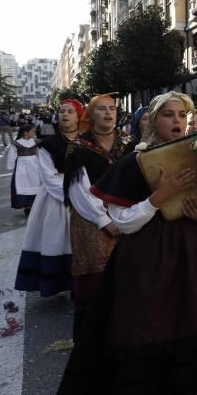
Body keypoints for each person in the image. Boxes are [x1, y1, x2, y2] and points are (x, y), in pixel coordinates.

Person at [50, 91, 197, 395]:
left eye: (181, 115)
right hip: (149, 258)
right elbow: (123, 221)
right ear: (153, 120)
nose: (177, 121)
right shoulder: (135, 161)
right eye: (168, 115)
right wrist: (157, 199)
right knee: (158, 325)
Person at [63, 94, 128, 335]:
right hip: (91, 221)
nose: (109, 113)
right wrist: (105, 220)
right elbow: (78, 190)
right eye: (102, 109)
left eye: (112, 108)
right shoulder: (79, 147)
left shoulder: (128, 143)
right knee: (95, 280)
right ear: (91, 115)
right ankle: (91, 339)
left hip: (126, 218)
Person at [15, 99, 81, 297]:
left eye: (70, 111)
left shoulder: (88, 141)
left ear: (79, 116)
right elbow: (48, 176)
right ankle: (61, 283)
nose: (65, 114)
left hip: (86, 195)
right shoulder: (49, 145)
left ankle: (81, 284)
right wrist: (72, 197)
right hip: (57, 197)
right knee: (58, 240)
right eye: (62, 111)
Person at [6, 123, 41, 215]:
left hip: (35, 166)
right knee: (23, 184)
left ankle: (34, 205)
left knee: (35, 184)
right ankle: (27, 206)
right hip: (22, 167)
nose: (34, 132)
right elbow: (11, 156)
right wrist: (11, 166)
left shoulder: (35, 142)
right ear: (26, 132)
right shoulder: (16, 143)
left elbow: (39, 155)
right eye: (32, 131)